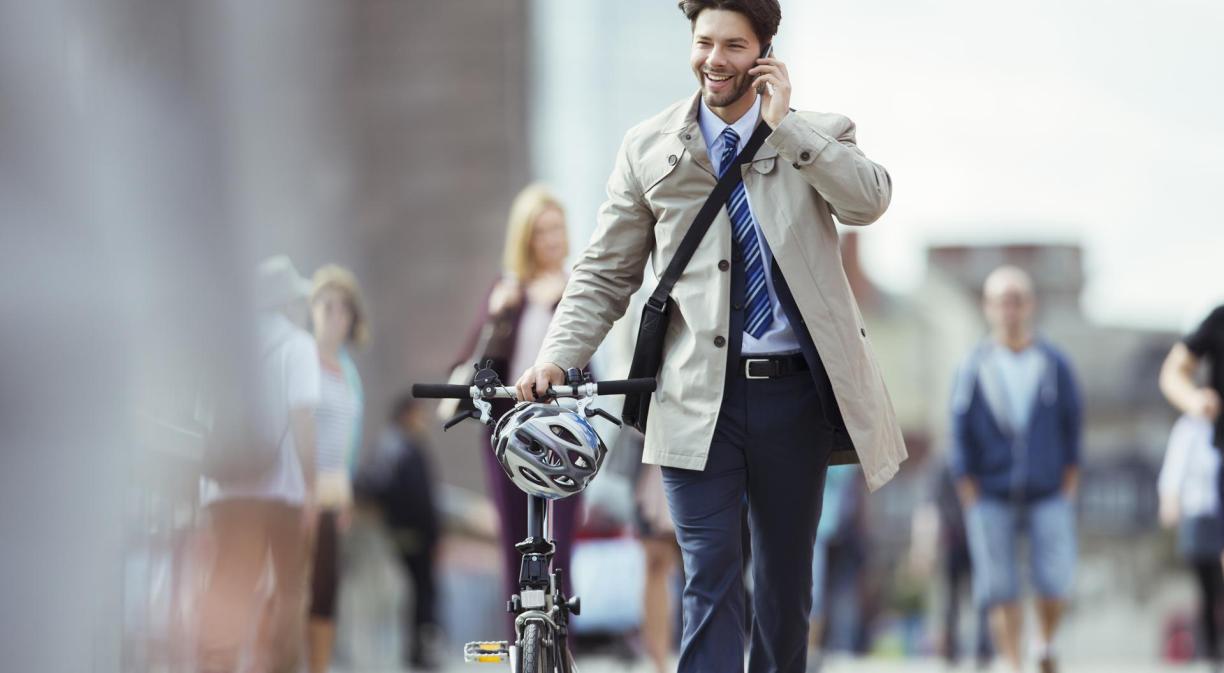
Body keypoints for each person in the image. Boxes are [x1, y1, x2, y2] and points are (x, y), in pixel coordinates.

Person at [514, 2, 907, 669]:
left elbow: (868, 200)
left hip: (794, 399)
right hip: (694, 399)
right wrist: (558, 354)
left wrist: (788, 133)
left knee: (785, 589)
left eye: (733, 45)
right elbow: (606, 272)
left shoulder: (816, 134)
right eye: (704, 43)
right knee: (710, 576)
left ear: (764, 52)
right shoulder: (649, 147)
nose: (715, 60)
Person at [453, 183, 582, 634]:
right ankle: (520, 645)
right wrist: (497, 315)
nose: (551, 238)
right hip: (506, 430)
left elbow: (590, 360)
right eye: (540, 231)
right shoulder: (507, 291)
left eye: (556, 228)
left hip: (563, 432)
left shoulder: (580, 289)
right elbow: (474, 364)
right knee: (514, 541)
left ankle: (561, 641)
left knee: (561, 544)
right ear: (524, 238)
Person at [949, 266, 1081, 673]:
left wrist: (1070, 479)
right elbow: (958, 427)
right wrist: (967, 484)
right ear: (989, 308)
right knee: (999, 586)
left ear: (1031, 305)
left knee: (1054, 579)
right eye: (1002, 301)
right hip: (990, 491)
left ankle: (1043, 640)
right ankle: (1012, 663)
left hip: (1047, 490)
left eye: (1018, 300)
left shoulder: (1054, 363)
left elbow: (1072, 423)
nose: (1011, 310)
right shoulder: (973, 366)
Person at [197, 255, 320, 673]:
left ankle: (217, 666)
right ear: (289, 302)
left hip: (225, 487)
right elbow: (303, 420)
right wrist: (312, 489)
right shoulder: (299, 346)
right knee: (288, 591)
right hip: (280, 492)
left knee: (229, 585)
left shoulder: (225, 346)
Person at [306, 264, 368, 673]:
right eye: (327, 306)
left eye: (343, 309)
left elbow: (350, 440)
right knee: (294, 589)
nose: (335, 316)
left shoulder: (348, 372)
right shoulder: (300, 359)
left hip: (331, 492)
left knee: (325, 590)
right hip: (297, 489)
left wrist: (345, 496)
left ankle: (318, 667)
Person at [355, 394, 442, 670]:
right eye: (419, 414)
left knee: (419, 591)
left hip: (410, 530)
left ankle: (417, 648)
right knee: (419, 591)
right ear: (406, 414)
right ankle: (417, 650)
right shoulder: (399, 447)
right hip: (411, 532)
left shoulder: (394, 445)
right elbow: (379, 485)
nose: (424, 421)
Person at [1158, 413, 1224, 671]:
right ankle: (1210, 653)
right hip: (1198, 514)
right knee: (1206, 588)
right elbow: (1174, 468)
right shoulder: (1189, 428)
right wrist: (1170, 499)